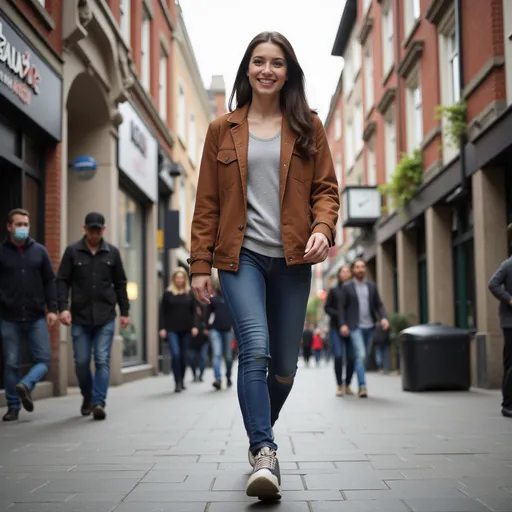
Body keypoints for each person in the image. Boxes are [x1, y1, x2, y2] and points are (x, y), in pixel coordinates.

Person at [189, 31, 339, 500]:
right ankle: (264, 450)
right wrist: (199, 264)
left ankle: (259, 431)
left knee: (286, 367)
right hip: (240, 257)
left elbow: (327, 191)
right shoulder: (223, 130)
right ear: (247, 69)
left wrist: (323, 227)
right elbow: (207, 202)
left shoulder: (309, 126)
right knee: (254, 348)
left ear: (288, 71)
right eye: (259, 61)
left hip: (294, 258)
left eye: (276, 63)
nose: (267, 70)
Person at [57, 212, 130, 421]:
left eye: (98, 230)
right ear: (84, 228)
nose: (95, 234)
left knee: (101, 359)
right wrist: (63, 307)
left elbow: (121, 284)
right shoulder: (72, 252)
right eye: (91, 230)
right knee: (80, 361)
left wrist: (124, 312)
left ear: (104, 230)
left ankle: (99, 402)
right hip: (79, 316)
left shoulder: (112, 253)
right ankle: (88, 396)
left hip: (106, 316)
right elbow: (62, 280)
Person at [0, 209, 57, 422]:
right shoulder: (2, 253)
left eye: (26, 224)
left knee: (44, 360)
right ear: (9, 227)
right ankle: (13, 407)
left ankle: (26, 384)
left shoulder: (39, 252)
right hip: (9, 317)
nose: (23, 228)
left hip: (35, 316)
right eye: (18, 224)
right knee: (11, 363)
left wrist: (52, 309)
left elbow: (50, 281)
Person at [339, 259, 389, 399]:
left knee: (364, 356)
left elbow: (378, 305)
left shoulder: (372, 286)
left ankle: (352, 382)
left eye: (362, 267)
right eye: (357, 267)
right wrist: (343, 324)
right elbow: (342, 308)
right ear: (353, 270)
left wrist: (383, 318)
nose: (360, 269)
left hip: (370, 326)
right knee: (360, 355)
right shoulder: (347, 287)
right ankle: (362, 386)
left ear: (365, 269)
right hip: (355, 327)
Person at [159, 267, 198, 393]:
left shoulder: (189, 293)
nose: (179, 280)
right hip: (171, 329)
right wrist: (162, 328)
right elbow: (162, 312)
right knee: (176, 354)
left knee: (184, 355)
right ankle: (177, 382)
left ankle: (181, 379)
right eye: (177, 277)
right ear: (174, 279)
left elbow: (194, 313)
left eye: (182, 277)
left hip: (186, 329)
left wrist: (195, 326)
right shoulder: (168, 293)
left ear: (185, 279)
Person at [324, 265, 355, 396]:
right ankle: (338, 385)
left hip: (353, 327)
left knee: (352, 357)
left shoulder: (355, 289)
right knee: (338, 355)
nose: (346, 273)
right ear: (339, 274)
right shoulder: (334, 290)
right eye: (343, 271)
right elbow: (326, 307)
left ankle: (347, 384)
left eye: (348, 271)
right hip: (336, 328)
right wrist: (338, 315)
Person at [488, 252, 512, 418]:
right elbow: (493, 284)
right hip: (511, 323)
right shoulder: (508, 264)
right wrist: (510, 299)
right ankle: (508, 405)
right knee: (511, 363)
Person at [205, 283, 234, 390]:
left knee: (228, 357)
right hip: (215, 330)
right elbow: (207, 314)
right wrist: (207, 327)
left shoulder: (232, 298)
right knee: (216, 354)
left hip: (228, 330)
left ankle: (228, 375)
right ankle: (218, 379)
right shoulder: (214, 299)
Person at [189, 302, 209, 383]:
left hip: (203, 340)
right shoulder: (191, 312)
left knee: (203, 357)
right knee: (192, 358)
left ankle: (201, 375)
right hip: (193, 340)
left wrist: (207, 329)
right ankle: (194, 374)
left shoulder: (205, 310)